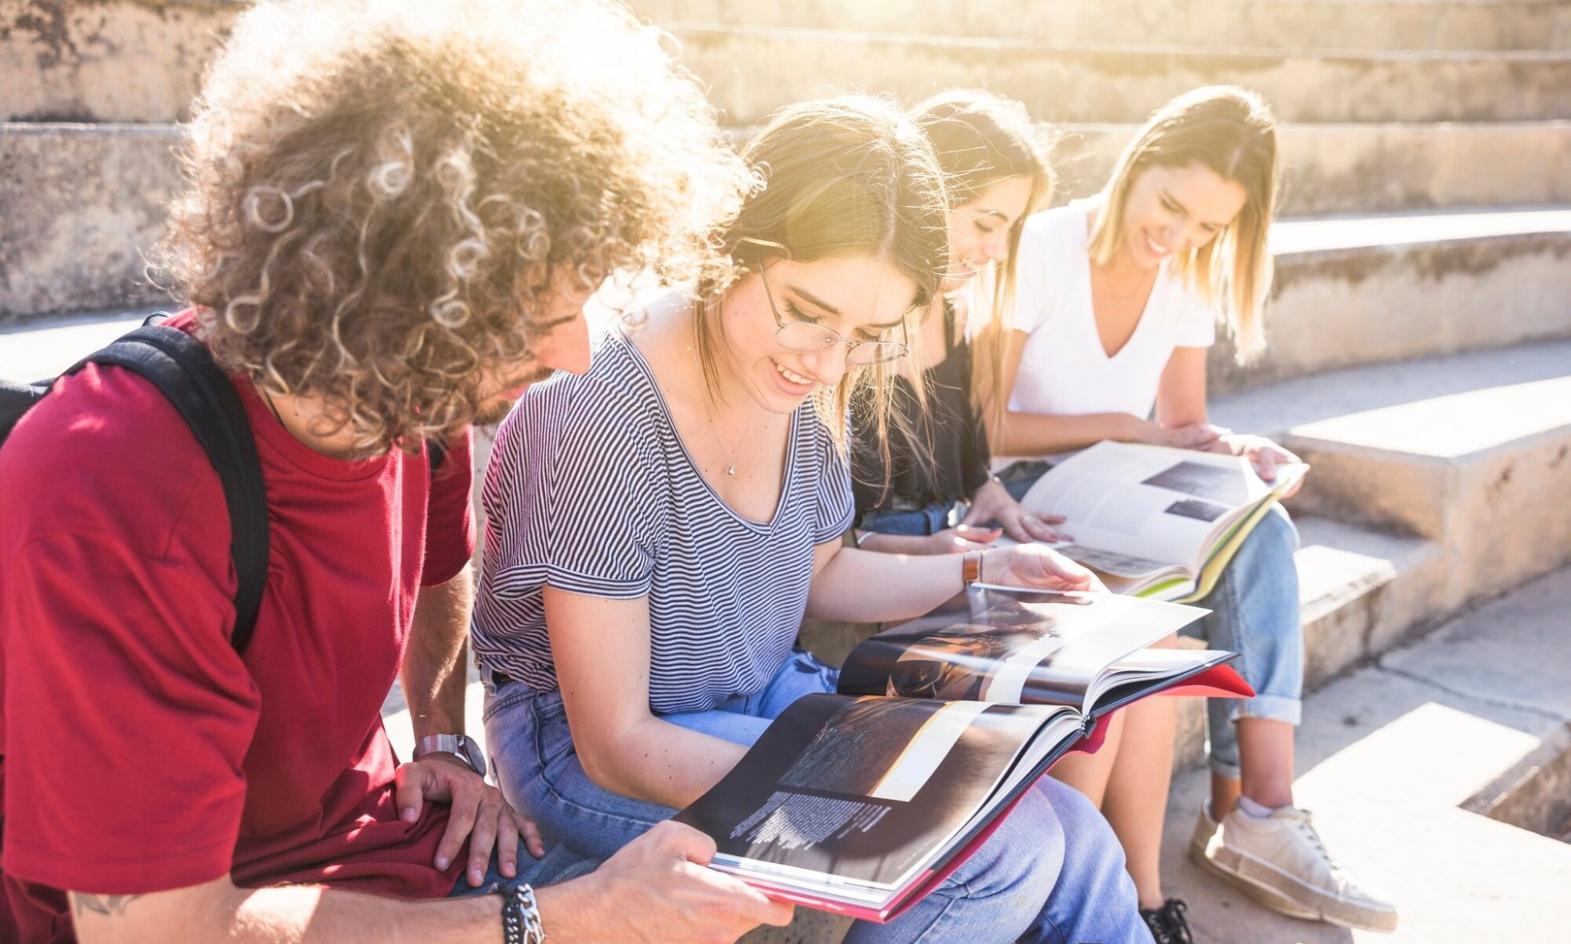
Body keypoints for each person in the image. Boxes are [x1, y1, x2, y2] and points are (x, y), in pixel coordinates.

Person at [0, 2, 800, 942]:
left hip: (388, 851)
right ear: (388, 284)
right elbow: (161, 933)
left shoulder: (409, 385)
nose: (578, 355)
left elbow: (440, 564)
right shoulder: (110, 488)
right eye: (535, 316)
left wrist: (443, 736)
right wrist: (566, 916)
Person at [472, 95, 1156, 943]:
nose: (830, 363)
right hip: (588, 751)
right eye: (806, 311)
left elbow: (821, 571)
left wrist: (983, 569)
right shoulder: (597, 414)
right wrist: (883, 787)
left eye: (868, 333)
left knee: (1079, 836)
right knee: (991, 849)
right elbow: (616, 741)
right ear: (731, 243)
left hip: (759, 697)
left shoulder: (807, 374)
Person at [981, 85, 1398, 939]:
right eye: (1170, 207)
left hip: (1120, 485)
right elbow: (986, 422)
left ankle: (1258, 808)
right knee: (1150, 618)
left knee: (1261, 526)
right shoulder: (1045, 247)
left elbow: (1177, 427)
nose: (1177, 238)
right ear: (1139, 162)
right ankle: (1179, 847)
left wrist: (1233, 453)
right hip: (1021, 494)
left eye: (1207, 228)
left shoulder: (1184, 276)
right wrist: (1123, 429)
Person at [849, 90, 1064, 553]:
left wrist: (988, 491)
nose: (999, 253)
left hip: (948, 557)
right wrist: (924, 552)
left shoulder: (953, 315)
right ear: (923, 193)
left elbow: (967, 468)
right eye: (986, 225)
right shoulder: (841, 323)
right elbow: (809, 542)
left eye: (1010, 230)